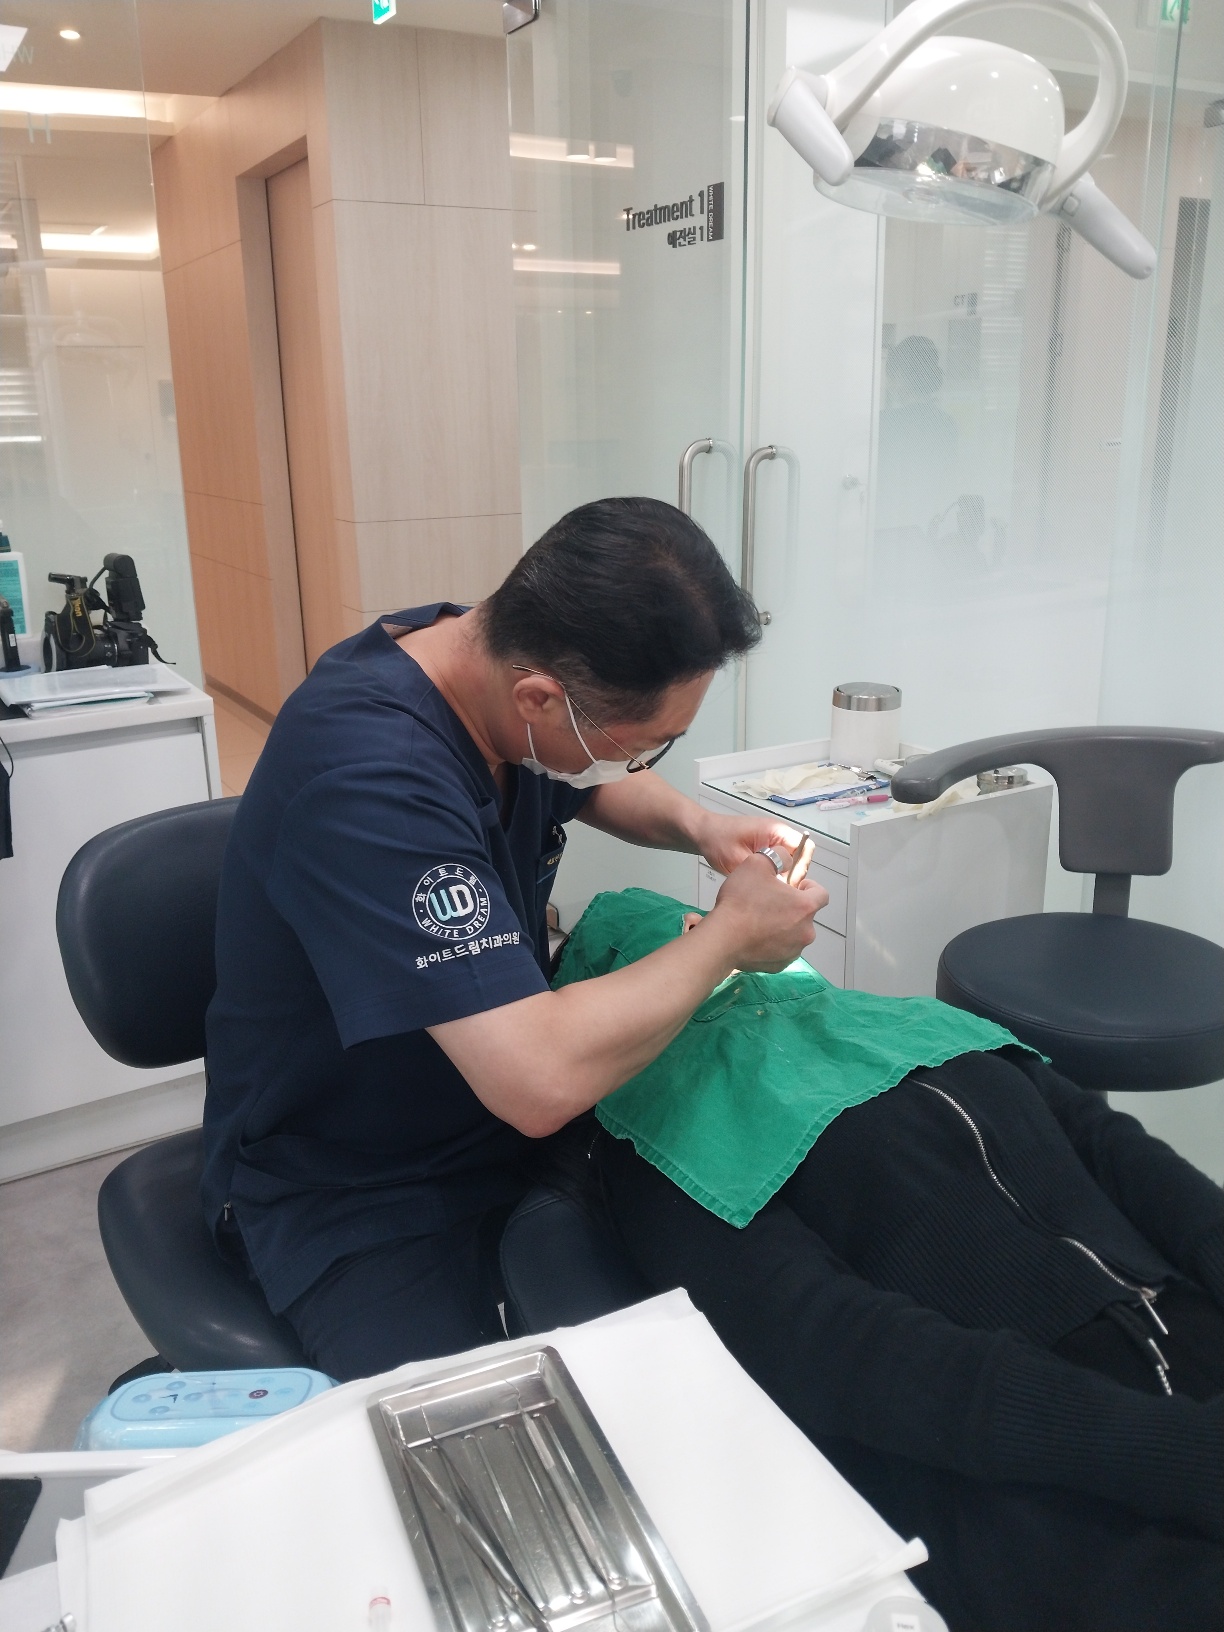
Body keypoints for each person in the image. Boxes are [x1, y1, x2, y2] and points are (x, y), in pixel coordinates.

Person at [200, 496, 827, 1382]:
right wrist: (728, 937)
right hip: (352, 1180)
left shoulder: (493, 657)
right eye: (645, 748)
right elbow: (537, 1079)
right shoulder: (370, 776)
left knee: (725, 1302)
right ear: (539, 698)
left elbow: (586, 776)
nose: (637, 768)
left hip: (488, 1126)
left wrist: (700, 826)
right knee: (496, 1421)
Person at [554, 887, 1224, 1632]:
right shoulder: (668, 1143)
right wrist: (1165, 1450)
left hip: (1185, 1317)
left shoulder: (913, 1025)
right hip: (1018, 1457)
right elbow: (833, 1342)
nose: (730, 944)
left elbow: (1116, 1149)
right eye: (684, 941)